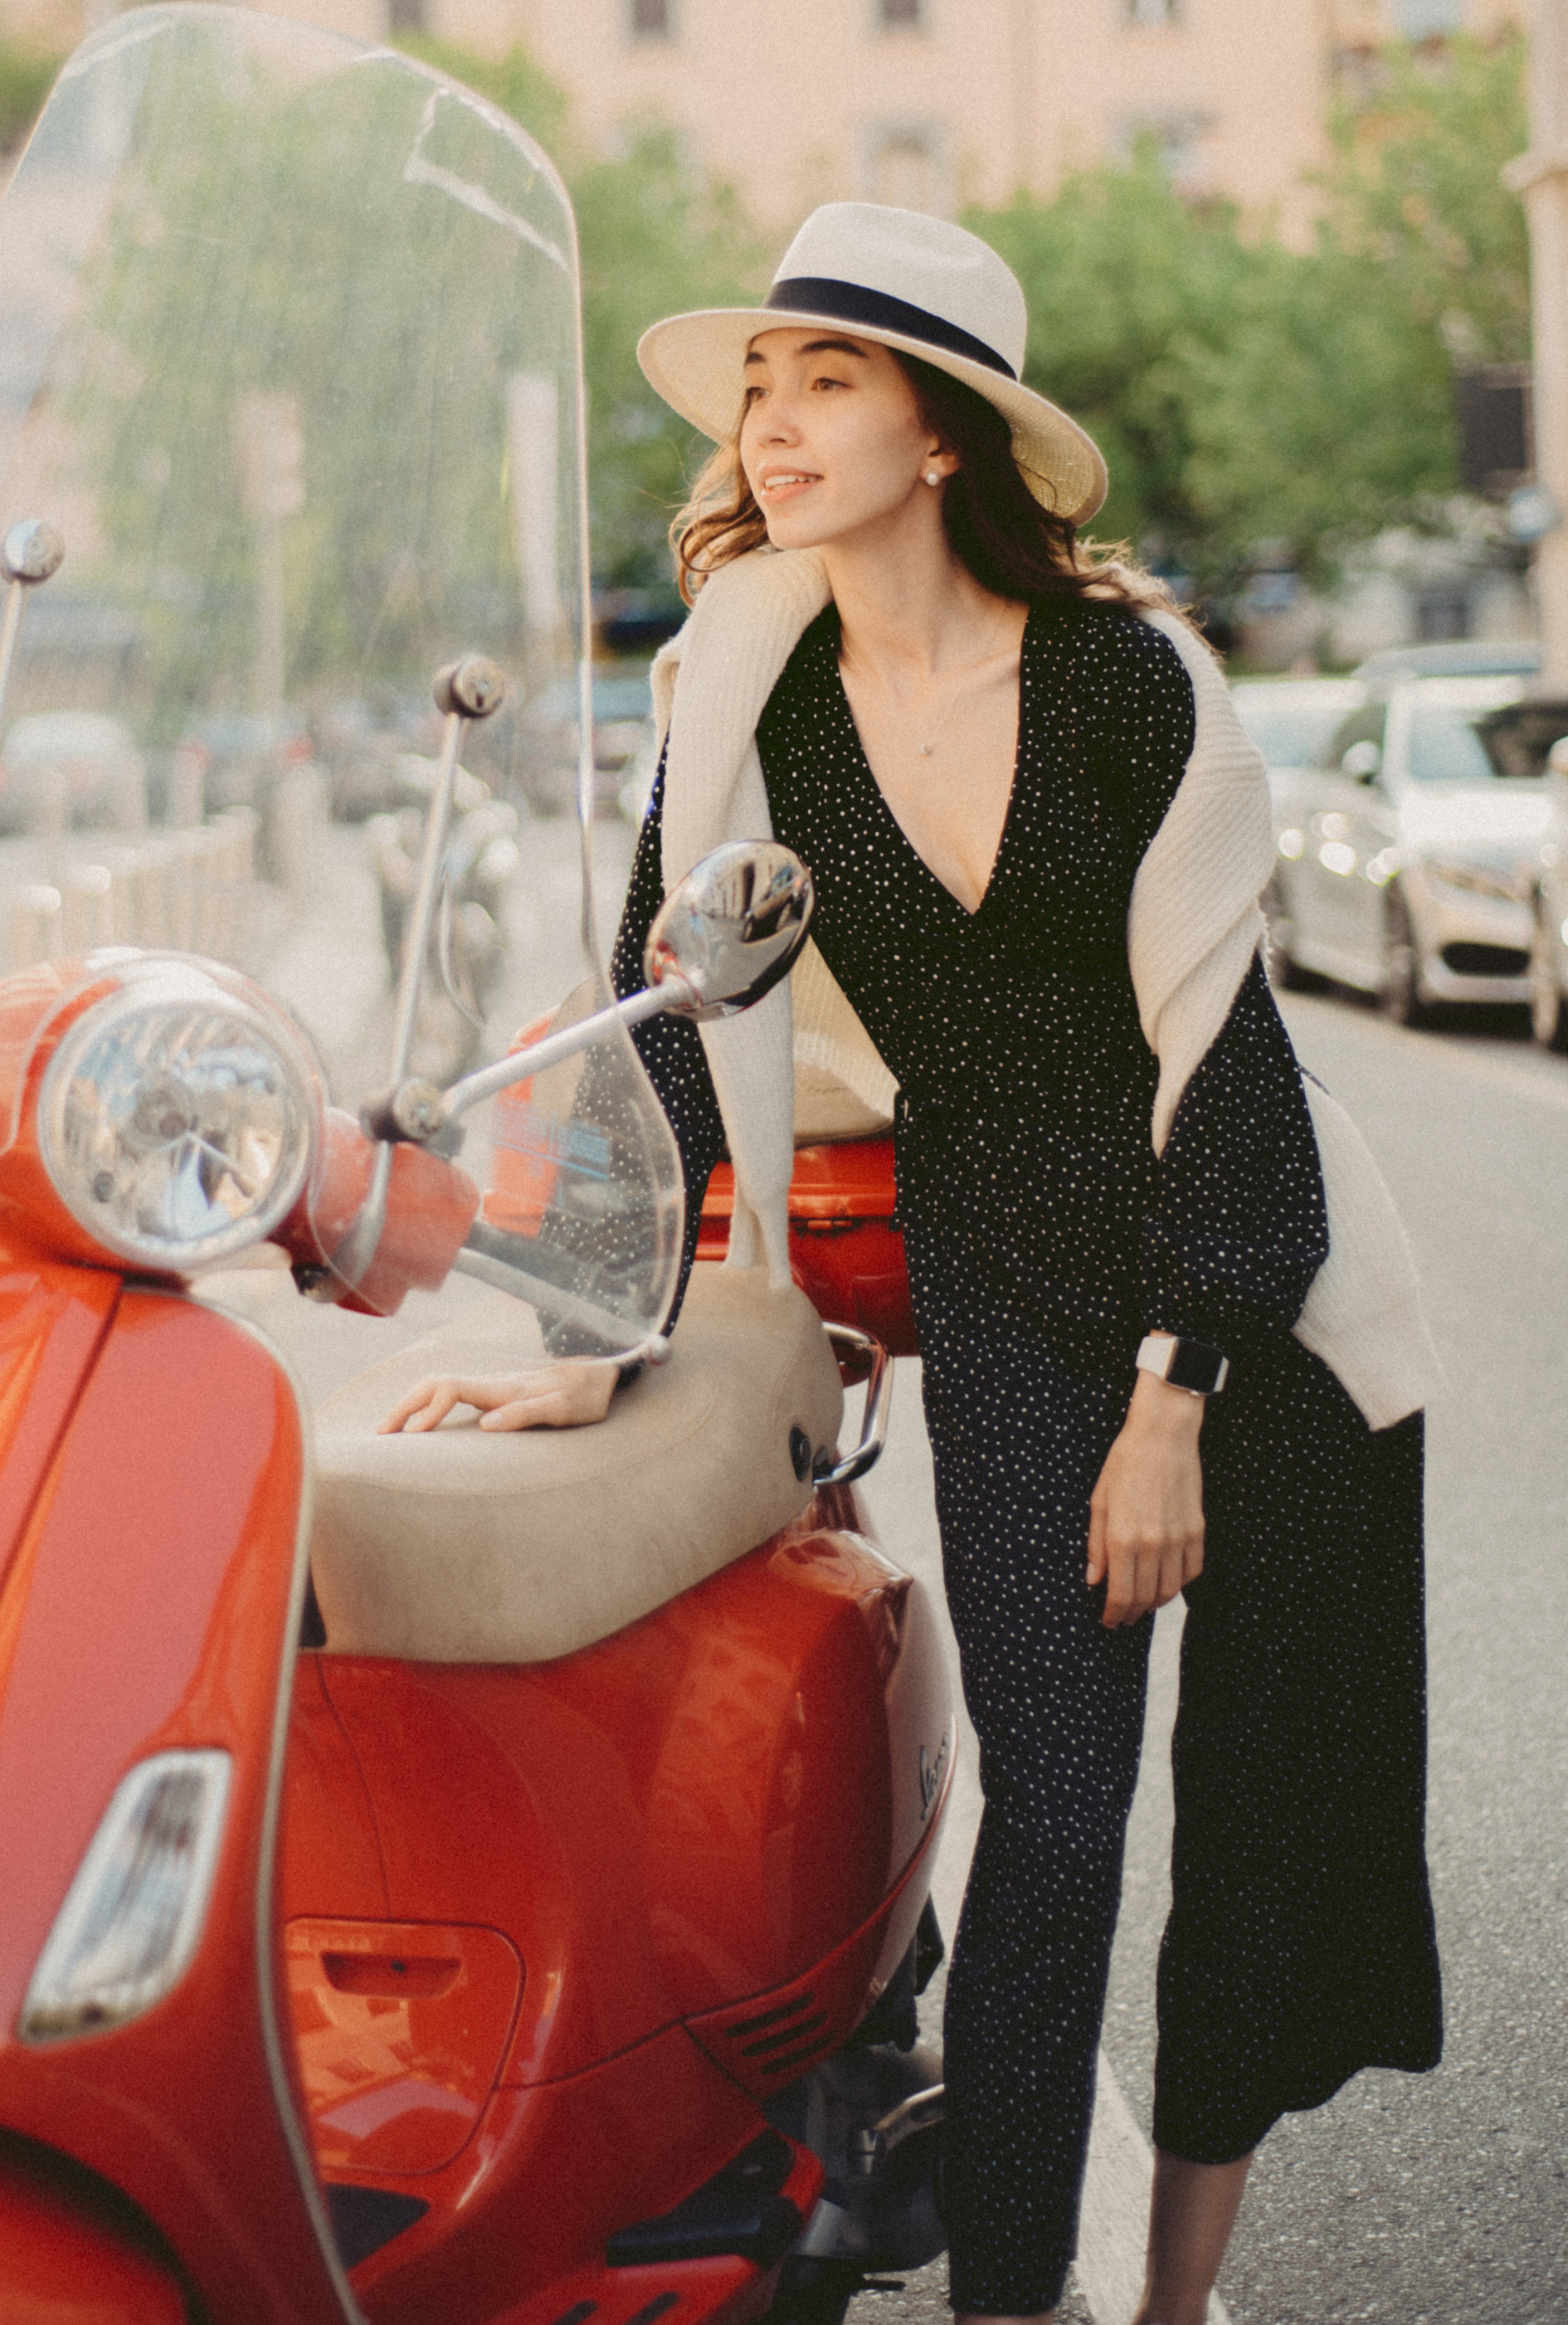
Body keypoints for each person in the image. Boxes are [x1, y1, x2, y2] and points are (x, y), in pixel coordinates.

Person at [382, 202, 1444, 2325]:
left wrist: (1178, 1398)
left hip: (1259, 1303)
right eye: (756, 385)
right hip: (1008, 1294)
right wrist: (588, 1338)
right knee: (1050, 1832)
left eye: (827, 380)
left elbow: (1223, 1057)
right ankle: (1016, 2307)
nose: (771, 424)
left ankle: (1165, 2309)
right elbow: (659, 1014)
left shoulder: (1132, 681)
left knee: (1251, 1837)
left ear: (943, 433)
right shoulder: (736, 694)